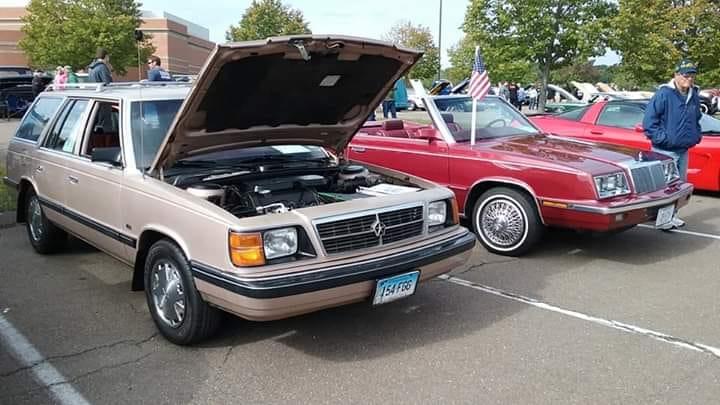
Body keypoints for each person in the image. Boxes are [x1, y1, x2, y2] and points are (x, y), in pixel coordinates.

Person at [642, 58, 702, 229]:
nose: (689, 79)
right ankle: (662, 220)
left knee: (679, 185)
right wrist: (664, 139)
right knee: (667, 187)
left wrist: (695, 136)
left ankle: (670, 216)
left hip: (683, 148)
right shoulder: (664, 94)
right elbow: (649, 123)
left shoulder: (693, 95)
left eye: (692, 76)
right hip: (664, 150)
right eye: (685, 75)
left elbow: (697, 119)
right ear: (676, 75)